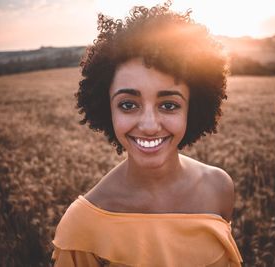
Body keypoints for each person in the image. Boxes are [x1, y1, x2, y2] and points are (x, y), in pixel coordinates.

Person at [52, 1, 242, 266]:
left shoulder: (219, 188)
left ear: (193, 108)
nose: (150, 125)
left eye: (169, 105)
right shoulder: (83, 226)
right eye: (128, 105)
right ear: (106, 109)